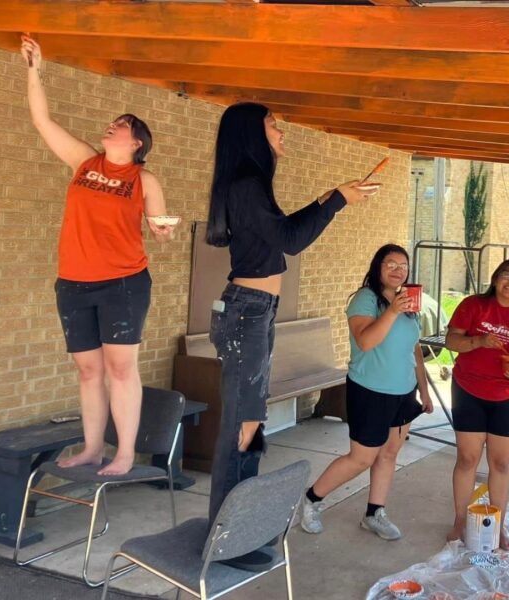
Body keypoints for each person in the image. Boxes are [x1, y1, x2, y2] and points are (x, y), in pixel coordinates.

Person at [204, 102, 376, 569]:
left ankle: (236, 532)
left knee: (249, 425)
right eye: (274, 126)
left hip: (254, 312)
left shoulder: (251, 185)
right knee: (243, 429)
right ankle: (226, 541)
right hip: (247, 315)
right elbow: (292, 242)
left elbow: (281, 232)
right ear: (252, 135)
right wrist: (336, 200)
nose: (282, 133)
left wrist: (327, 199)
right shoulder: (247, 183)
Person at [20, 37, 176, 477]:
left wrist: (161, 229)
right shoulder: (85, 163)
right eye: (113, 122)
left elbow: (158, 225)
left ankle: (124, 453)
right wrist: (35, 69)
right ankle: (91, 449)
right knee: (88, 370)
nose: (112, 127)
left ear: (137, 143)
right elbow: (41, 120)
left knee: (120, 368)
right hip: (73, 281)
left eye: (122, 125)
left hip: (123, 282)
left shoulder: (144, 177)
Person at [300, 244, 433, 540]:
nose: (398, 270)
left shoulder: (408, 303)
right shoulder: (366, 299)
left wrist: (424, 391)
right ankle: (311, 499)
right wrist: (394, 311)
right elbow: (366, 342)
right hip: (370, 391)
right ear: (378, 267)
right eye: (391, 264)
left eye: (403, 265)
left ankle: (374, 513)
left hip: (403, 392)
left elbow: (414, 349)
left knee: (389, 453)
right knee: (361, 458)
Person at [444, 259, 509, 551]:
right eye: (507, 275)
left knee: (500, 463)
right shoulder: (473, 305)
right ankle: (461, 520)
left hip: (506, 397)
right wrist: (479, 342)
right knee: (467, 460)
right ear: (496, 278)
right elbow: (451, 341)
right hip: (468, 390)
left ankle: (497, 527)